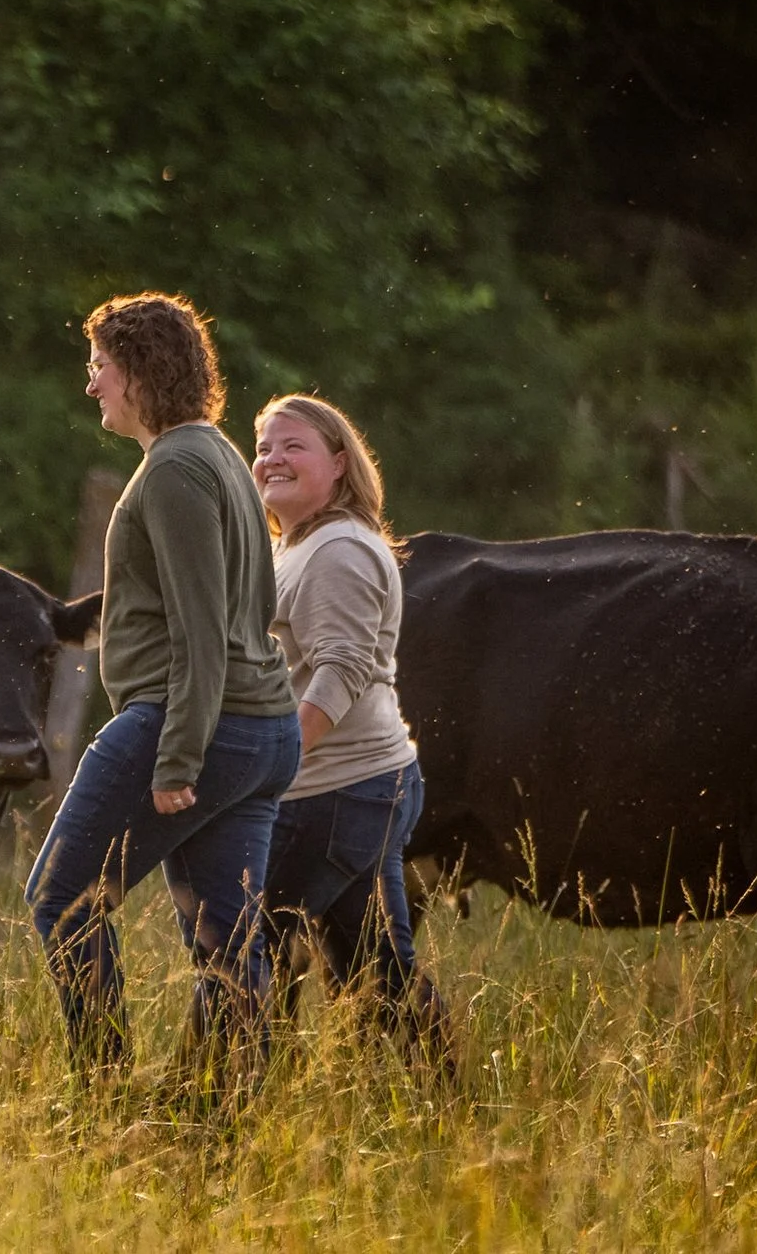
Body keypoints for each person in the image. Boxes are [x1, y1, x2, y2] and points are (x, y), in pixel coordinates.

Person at [27, 294, 302, 1085]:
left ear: (140, 372)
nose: (92, 387)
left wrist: (177, 755)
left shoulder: (178, 469)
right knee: (225, 940)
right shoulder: (213, 456)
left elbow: (202, 628)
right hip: (260, 731)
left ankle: (104, 1089)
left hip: (195, 727)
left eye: (99, 368)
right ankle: (223, 1123)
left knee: (62, 900)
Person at [252, 393, 455, 1071]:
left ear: (339, 464)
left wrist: (276, 761)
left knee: (246, 947)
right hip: (351, 789)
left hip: (339, 790)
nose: (272, 458)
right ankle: (453, 1103)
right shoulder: (297, 548)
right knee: (378, 972)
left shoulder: (338, 548)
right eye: (264, 447)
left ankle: (215, 1105)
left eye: (294, 445)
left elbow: (341, 671)